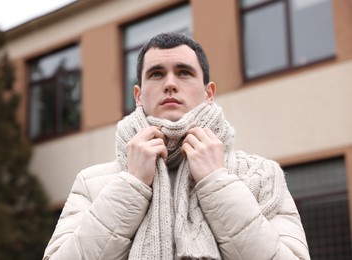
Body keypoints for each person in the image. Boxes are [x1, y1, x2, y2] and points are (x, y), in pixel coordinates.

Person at [43, 32, 310, 260]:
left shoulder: (262, 176)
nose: (170, 84)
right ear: (138, 96)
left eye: (184, 73)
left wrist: (216, 184)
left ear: (209, 93)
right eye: (157, 74)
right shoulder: (91, 183)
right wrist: (132, 185)